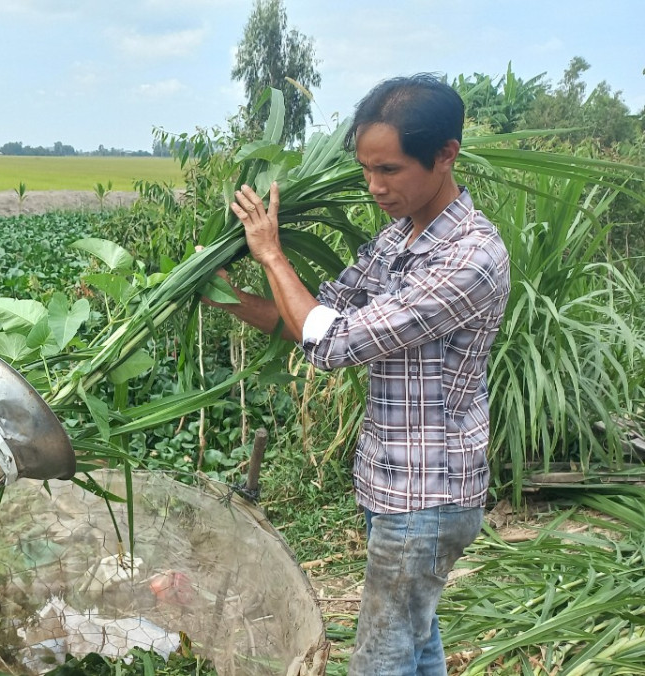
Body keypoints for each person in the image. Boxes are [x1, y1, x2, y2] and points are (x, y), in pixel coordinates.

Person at [203, 74, 510, 675]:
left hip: (427, 496)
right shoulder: (399, 237)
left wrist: (271, 252)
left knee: (382, 659)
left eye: (389, 170)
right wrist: (225, 294)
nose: (374, 187)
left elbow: (336, 341)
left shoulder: (469, 257)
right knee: (417, 645)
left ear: (446, 154)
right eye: (366, 169)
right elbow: (314, 314)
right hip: (391, 482)